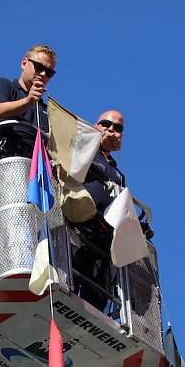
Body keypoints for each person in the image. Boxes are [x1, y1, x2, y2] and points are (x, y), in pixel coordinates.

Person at [71, 111, 126, 312]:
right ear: (96, 126)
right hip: (79, 227)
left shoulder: (118, 173)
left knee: (96, 297)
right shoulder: (83, 148)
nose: (111, 130)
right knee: (69, 282)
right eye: (106, 124)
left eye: (118, 128)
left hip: (104, 238)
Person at [0, 45, 57, 157]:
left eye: (49, 73)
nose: (43, 74)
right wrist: (27, 101)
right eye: (39, 67)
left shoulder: (47, 111)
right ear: (24, 63)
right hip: (5, 162)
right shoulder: (3, 85)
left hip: (36, 169)